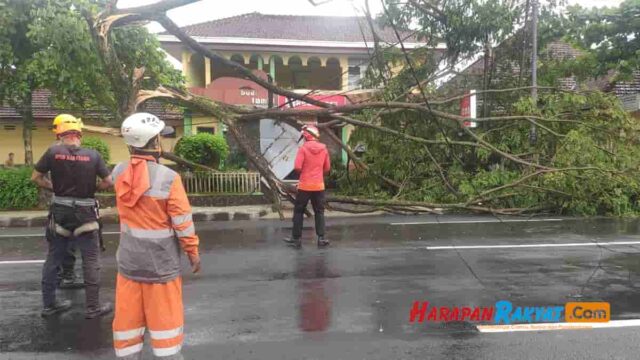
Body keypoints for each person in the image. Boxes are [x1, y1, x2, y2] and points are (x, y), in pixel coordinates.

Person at [111, 112, 200, 359]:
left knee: (127, 335)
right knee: (166, 338)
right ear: (156, 142)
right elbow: (183, 224)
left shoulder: (119, 173)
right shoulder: (169, 178)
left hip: (129, 266)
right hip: (161, 269)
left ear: (130, 144)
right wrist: (193, 253)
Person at [31, 115, 113, 318]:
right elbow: (109, 181)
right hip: (86, 214)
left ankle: (49, 305)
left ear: (60, 135)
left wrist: (54, 188)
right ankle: (93, 307)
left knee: (53, 259)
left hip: (60, 213)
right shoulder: (93, 155)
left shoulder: (53, 152)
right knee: (91, 260)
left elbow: (35, 177)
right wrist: (91, 189)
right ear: (79, 135)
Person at [51, 114, 84, 289]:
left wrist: (55, 189)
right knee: (69, 241)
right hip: (71, 206)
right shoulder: (63, 152)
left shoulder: (52, 151)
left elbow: (39, 177)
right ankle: (67, 275)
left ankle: (57, 276)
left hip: (58, 204)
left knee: (58, 241)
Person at [283, 124, 331, 248]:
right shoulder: (324, 148)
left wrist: (305, 172)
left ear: (306, 136)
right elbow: (327, 168)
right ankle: (321, 238)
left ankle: (296, 238)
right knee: (319, 211)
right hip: (319, 186)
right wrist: (319, 173)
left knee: (298, 211)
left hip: (305, 185)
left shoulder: (303, 149)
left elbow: (297, 167)